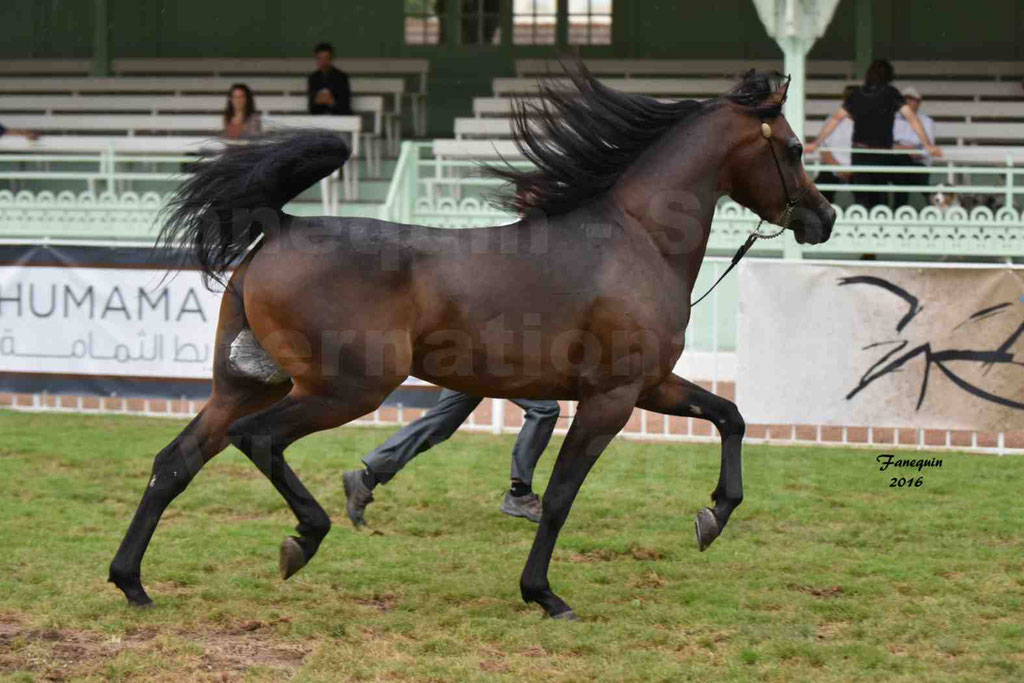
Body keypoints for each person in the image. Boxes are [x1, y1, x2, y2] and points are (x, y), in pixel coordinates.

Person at [342, 390, 560, 526]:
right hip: (488, 354)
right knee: (545, 409)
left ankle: (365, 480)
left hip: (471, 354)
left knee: (439, 424)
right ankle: (520, 494)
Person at [806, 59, 941, 210]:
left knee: (863, 199)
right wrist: (928, 145)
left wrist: (816, 143)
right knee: (878, 199)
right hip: (881, 152)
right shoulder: (891, 93)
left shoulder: (858, 94)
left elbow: (837, 118)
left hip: (860, 152)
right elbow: (911, 117)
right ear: (889, 77)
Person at [890, 86, 935, 207]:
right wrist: (909, 149)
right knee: (899, 164)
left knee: (901, 168)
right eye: (904, 99)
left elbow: (926, 149)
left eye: (911, 99)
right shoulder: (892, 119)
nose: (907, 102)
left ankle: (899, 207)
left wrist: (901, 148)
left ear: (919, 102)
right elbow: (889, 146)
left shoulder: (926, 121)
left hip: (917, 163)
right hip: (897, 162)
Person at [814, 85, 856, 204]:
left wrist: (850, 171)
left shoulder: (864, 123)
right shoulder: (832, 121)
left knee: (869, 194)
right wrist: (839, 169)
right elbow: (824, 151)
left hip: (856, 170)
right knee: (817, 194)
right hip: (833, 168)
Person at [307, 42, 352, 115]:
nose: (323, 62)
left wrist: (332, 102)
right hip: (319, 121)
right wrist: (317, 101)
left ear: (331, 59)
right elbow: (311, 109)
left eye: (326, 58)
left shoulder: (341, 77)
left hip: (339, 119)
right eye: (320, 59)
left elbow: (346, 107)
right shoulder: (313, 78)